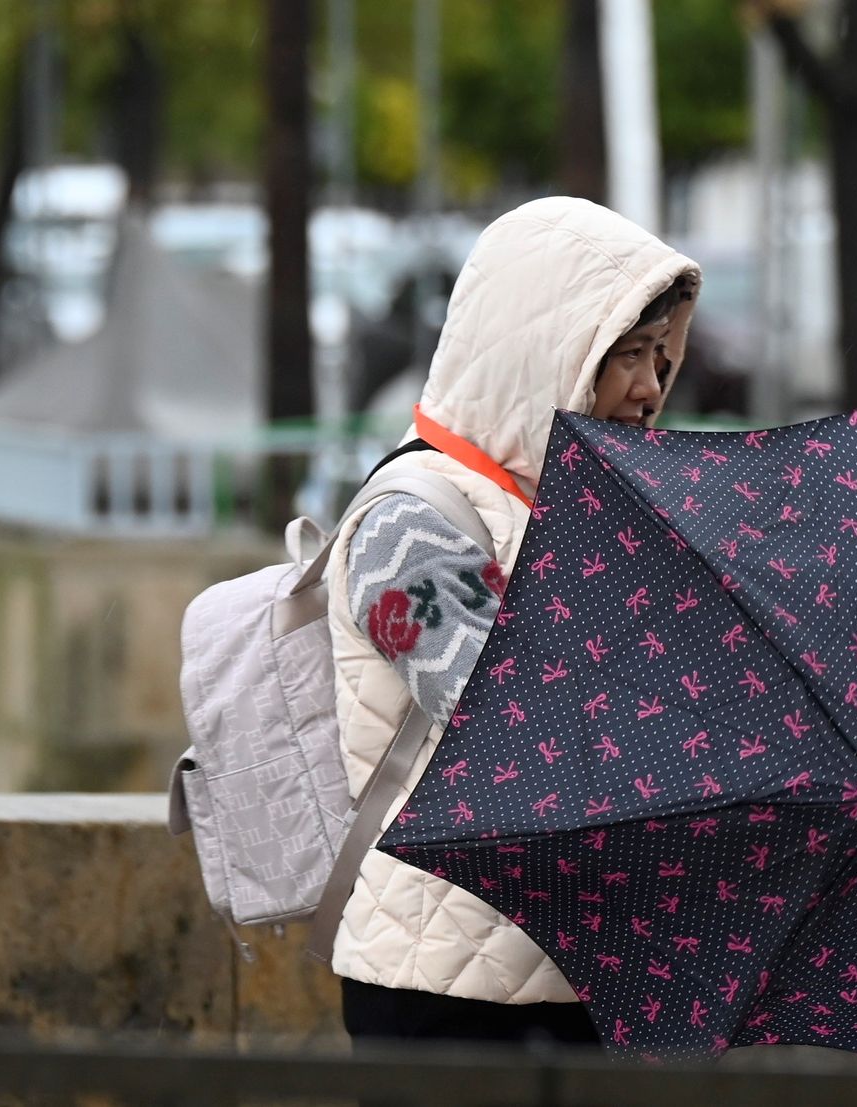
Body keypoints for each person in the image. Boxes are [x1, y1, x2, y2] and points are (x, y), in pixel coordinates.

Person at [322, 196, 701, 1046]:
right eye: (627, 356)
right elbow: (509, 724)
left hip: (577, 975)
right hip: (442, 990)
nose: (649, 388)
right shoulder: (413, 522)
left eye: (658, 357)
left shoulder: (570, 505)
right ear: (548, 356)